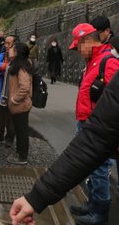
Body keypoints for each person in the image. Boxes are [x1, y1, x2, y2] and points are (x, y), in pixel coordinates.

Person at [9, 70, 119, 225]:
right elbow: (96, 139)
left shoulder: (107, 61)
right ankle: (95, 207)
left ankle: (99, 209)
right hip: (89, 122)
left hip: (93, 123)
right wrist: (37, 197)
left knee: (100, 173)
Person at [65, 23, 119, 224]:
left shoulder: (108, 62)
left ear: (87, 41)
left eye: (78, 46)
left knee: (99, 168)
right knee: (89, 167)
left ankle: (100, 213)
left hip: (98, 127)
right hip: (87, 123)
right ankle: (93, 204)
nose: (78, 51)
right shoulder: (94, 60)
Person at [6, 42, 33, 165]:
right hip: (18, 106)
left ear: (17, 52)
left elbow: (25, 87)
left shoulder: (22, 67)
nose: (10, 49)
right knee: (19, 130)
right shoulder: (17, 64)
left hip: (20, 105)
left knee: (22, 132)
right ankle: (20, 153)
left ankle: (22, 157)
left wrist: (14, 99)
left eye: (13, 48)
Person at [0, 35, 16, 146]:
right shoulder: (3, 55)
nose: (5, 45)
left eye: (8, 43)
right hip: (1, 90)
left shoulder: (18, 57)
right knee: (0, 116)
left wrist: (4, 67)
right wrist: (6, 66)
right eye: (5, 43)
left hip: (13, 91)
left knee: (11, 117)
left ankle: (9, 139)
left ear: (14, 44)